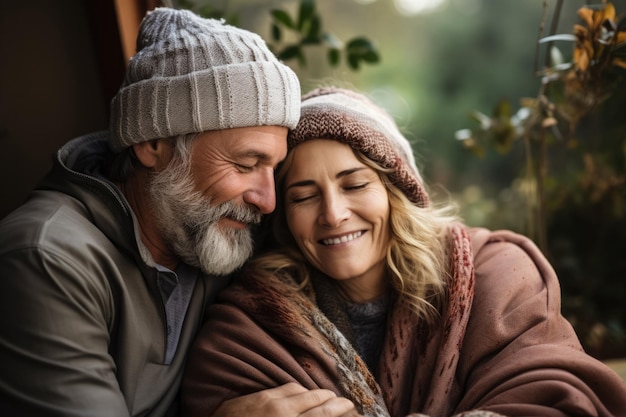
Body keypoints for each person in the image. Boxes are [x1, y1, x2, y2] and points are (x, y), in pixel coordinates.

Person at [182, 86, 626, 417]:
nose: (334, 214)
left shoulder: (497, 273)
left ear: (397, 193)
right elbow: (217, 391)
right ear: (283, 219)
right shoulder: (252, 321)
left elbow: (555, 395)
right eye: (303, 196)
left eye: (355, 184)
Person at [0, 8, 359, 417]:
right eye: (244, 165)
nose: (267, 200)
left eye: (273, 169)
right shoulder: (44, 260)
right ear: (152, 142)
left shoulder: (211, 230)